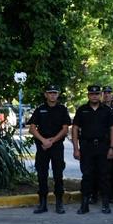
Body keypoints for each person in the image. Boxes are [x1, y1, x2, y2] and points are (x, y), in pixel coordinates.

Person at [72, 85, 113, 215]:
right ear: (88, 95)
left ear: (100, 95)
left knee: (104, 176)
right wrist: (76, 148)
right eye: (92, 94)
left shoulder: (107, 110)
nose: (94, 96)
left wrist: (112, 147)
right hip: (87, 147)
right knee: (87, 176)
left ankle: (105, 204)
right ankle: (84, 204)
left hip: (103, 146)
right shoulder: (82, 110)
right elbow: (75, 129)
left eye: (97, 94)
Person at [28, 86, 71, 214]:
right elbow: (32, 128)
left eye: (55, 93)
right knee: (42, 175)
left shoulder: (62, 109)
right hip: (42, 147)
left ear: (58, 94)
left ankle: (59, 203)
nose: (52, 95)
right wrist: (43, 140)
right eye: (50, 93)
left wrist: (51, 141)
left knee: (58, 174)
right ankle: (42, 204)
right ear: (46, 94)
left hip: (56, 146)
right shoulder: (40, 109)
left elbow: (65, 129)